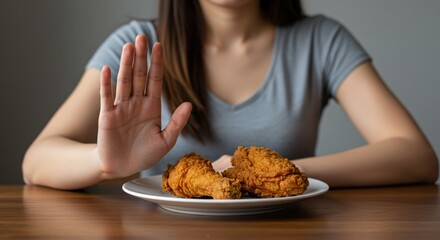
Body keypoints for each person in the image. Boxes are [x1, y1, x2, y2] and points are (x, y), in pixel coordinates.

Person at [22, 0, 438, 190]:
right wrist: (101, 163)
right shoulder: (137, 47)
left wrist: (274, 174)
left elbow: (415, 156)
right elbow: (36, 161)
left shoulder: (321, 41)